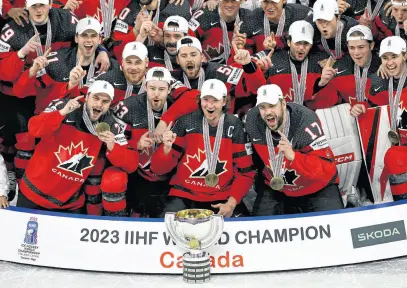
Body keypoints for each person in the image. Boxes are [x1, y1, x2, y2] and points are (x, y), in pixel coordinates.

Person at [16, 80, 139, 214]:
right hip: (32, 194)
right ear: (87, 97)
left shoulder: (112, 126)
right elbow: (34, 129)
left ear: (110, 104)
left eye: (105, 101)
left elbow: (131, 165)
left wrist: (113, 146)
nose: (99, 104)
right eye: (96, 98)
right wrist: (61, 113)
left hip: (69, 204)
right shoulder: (64, 106)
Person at [150, 79, 255, 217]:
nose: (210, 105)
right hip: (185, 194)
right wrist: (166, 150)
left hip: (221, 196)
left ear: (224, 101)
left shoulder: (235, 126)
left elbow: (245, 172)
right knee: (168, 229)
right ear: (200, 100)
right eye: (206, 99)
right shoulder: (185, 122)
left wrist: (231, 203)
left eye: (215, 100)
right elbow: (157, 169)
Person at [244, 84, 343, 215]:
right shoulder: (252, 120)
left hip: (315, 186)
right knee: (260, 229)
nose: (267, 112)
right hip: (277, 186)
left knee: (334, 226)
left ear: (283, 104)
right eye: (263, 107)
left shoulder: (306, 120)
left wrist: (294, 157)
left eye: (272, 106)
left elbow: (327, 168)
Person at [113, 67, 199, 217]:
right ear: (145, 87)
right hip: (139, 174)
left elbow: (198, 96)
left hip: (171, 177)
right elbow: (115, 146)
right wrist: (136, 145)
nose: (156, 94)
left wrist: (165, 120)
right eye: (152, 88)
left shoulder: (178, 105)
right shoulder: (128, 107)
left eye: (161, 89)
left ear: (169, 89)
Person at [172, 36, 266, 116]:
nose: (189, 59)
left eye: (193, 55)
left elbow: (256, 88)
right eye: (184, 56)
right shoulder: (171, 78)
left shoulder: (218, 71)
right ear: (177, 59)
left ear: (202, 57)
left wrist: (248, 65)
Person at [309, 25, 381, 112]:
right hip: (350, 122)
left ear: (371, 45)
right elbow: (319, 104)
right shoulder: (340, 67)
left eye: (361, 47)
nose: (356, 53)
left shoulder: (384, 66)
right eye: (352, 48)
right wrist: (321, 84)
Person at [244, 0, 312, 54]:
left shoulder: (302, 14)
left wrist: (278, 42)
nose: (270, 6)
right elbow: (245, 50)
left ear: (284, 0)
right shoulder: (252, 18)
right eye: (266, 1)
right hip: (263, 65)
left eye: (274, 1)